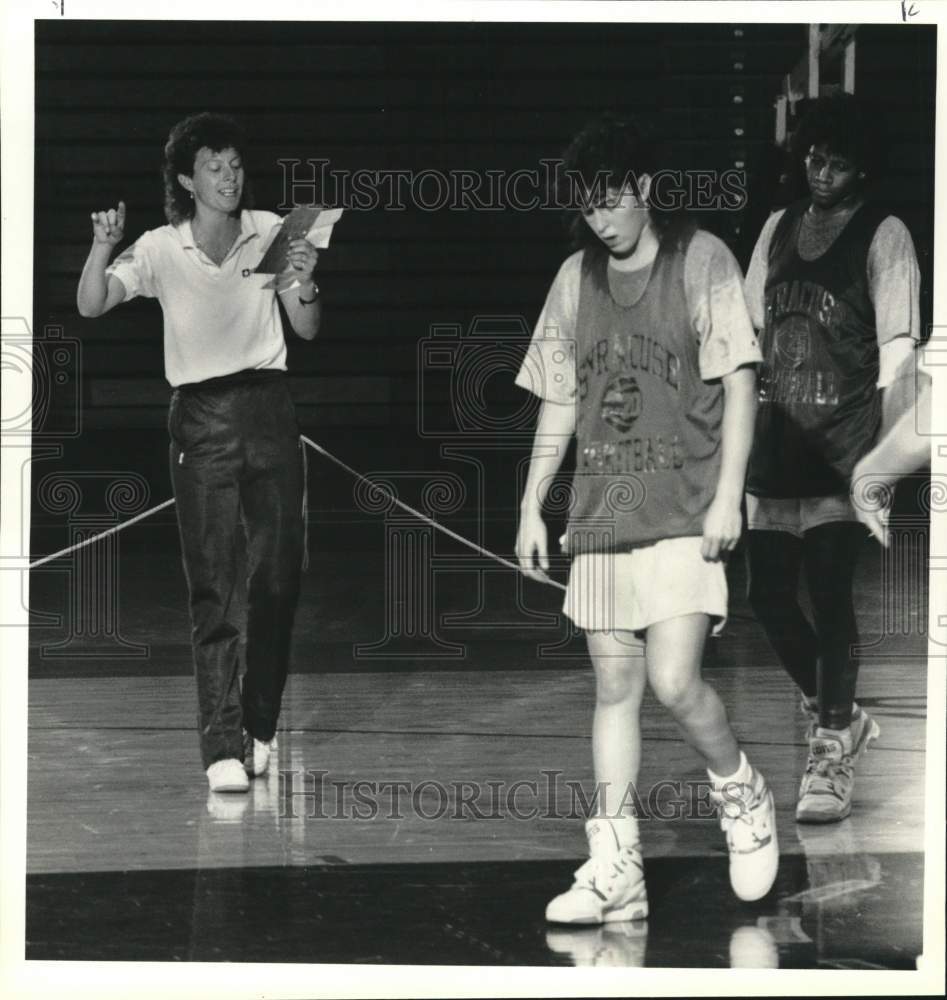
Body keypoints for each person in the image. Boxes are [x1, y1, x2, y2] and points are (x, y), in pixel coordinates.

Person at [514, 113, 777, 924]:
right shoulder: (573, 278)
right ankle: (615, 864)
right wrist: (532, 501)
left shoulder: (701, 259)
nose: (601, 218)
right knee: (614, 685)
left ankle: (740, 790)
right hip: (599, 514)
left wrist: (730, 493)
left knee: (673, 681)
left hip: (685, 509)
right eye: (588, 206)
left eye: (612, 201)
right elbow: (559, 397)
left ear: (646, 192)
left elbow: (737, 382)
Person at [76, 112, 322, 793]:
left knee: (278, 578)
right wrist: (102, 246)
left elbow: (306, 326)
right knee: (214, 586)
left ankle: (260, 725)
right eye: (214, 167)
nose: (229, 177)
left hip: (270, 410)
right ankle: (221, 744)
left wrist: (303, 278)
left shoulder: (279, 229)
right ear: (187, 179)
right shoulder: (159, 248)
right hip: (201, 420)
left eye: (236, 165)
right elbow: (93, 304)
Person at [743, 94, 921, 823]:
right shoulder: (776, 229)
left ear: (862, 165)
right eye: (813, 156)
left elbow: (899, 359)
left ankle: (827, 751)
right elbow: (743, 337)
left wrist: (880, 466)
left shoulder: (884, 234)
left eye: (838, 161)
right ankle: (840, 716)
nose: (822, 171)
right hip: (776, 444)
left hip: (843, 448)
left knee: (828, 586)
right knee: (765, 597)